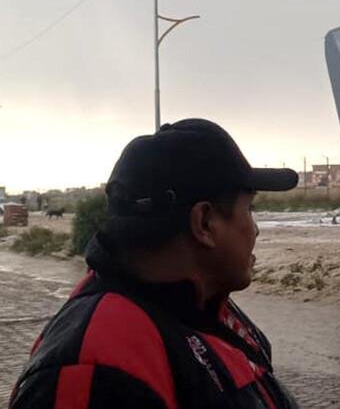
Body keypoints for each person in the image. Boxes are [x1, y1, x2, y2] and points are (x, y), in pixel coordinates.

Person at [9, 119, 300, 409]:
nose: (255, 229)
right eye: (249, 209)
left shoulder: (202, 306)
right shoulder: (96, 369)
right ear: (205, 223)